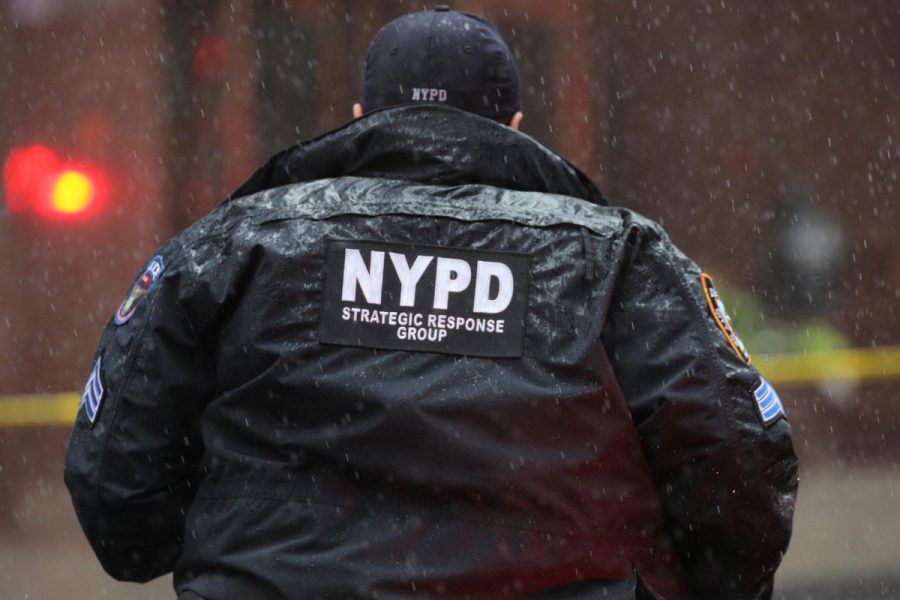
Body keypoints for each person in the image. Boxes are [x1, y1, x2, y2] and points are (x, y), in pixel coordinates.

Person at [65, 6, 798, 600]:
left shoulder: (228, 249)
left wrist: (213, 552)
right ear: (513, 125)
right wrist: (716, 581)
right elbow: (735, 457)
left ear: (362, 114)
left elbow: (116, 477)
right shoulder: (618, 257)